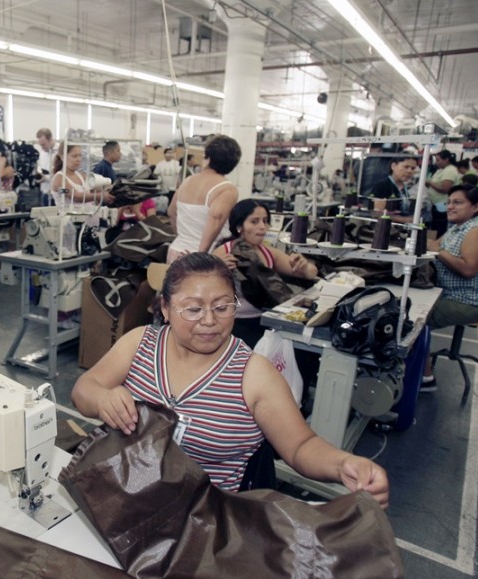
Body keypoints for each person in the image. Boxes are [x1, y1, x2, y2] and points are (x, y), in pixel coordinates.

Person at [71, 253, 389, 505]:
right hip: (124, 495)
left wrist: (343, 464)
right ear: (165, 308)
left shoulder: (253, 375)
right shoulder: (140, 343)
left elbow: (300, 446)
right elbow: (84, 389)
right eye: (193, 309)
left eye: (222, 307)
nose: (209, 321)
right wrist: (102, 399)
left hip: (202, 520)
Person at [421, 185, 478, 391]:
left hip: (469, 301)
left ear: (476, 206)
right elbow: (434, 247)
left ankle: (425, 378)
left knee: (414, 319)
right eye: (448, 202)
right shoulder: (458, 228)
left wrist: (438, 250)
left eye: (457, 202)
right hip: (449, 294)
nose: (449, 206)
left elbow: (467, 269)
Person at [213, 200, 318, 348]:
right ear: (238, 226)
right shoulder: (224, 252)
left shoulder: (267, 253)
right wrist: (217, 271)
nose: (262, 227)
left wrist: (304, 265)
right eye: (254, 222)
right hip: (234, 324)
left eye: (265, 221)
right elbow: (203, 287)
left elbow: (310, 274)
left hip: (264, 320)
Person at [167, 135, 241, 263]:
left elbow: (171, 213)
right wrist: (200, 255)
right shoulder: (227, 189)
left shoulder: (187, 181)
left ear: (208, 158)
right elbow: (215, 219)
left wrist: (184, 237)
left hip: (176, 251)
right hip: (204, 255)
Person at [370, 155, 429, 223]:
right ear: (393, 166)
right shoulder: (382, 186)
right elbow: (376, 213)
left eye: (413, 168)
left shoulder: (406, 188)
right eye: (406, 167)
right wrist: (404, 219)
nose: (409, 171)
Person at [425, 149, 459, 236]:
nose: (436, 163)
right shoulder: (440, 170)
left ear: (446, 159)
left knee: (439, 227)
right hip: (434, 204)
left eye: (438, 160)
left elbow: (445, 189)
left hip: (441, 205)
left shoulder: (450, 170)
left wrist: (430, 183)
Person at [35, 128, 57, 204]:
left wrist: (46, 178)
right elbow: (41, 168)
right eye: (40, 145)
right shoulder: (42, 153)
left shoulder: (60, 153)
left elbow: (62, 173)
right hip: (44, 192)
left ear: (50, 139)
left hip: (56, 194)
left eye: (43, 144)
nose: (42, 147)